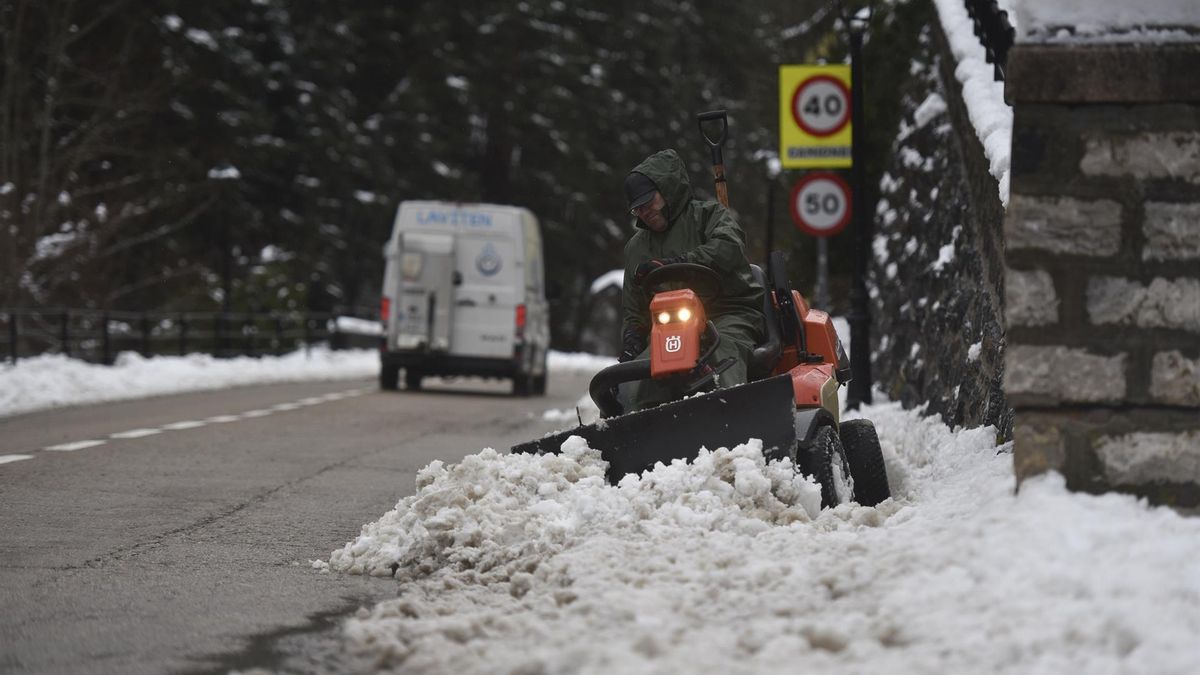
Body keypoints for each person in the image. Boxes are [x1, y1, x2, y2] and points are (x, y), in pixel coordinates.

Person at [619, 148, 765, 410]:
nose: (644, 212)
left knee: (722, 354)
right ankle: (628, 428)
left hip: (727, 313)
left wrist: (678, 264)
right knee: (638, 376)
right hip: (668, 327)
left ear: (668, 190)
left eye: (648, 202)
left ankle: (730, 418)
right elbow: (634, 309)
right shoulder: (636, 248)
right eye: (637, 209)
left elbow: (729, 248)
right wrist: (632, 338)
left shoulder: (710, 216)